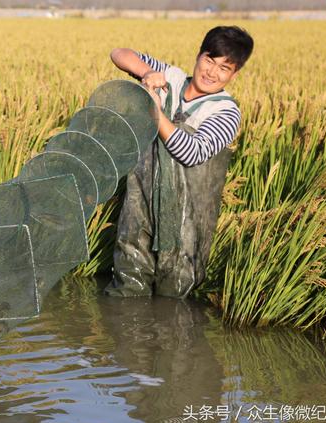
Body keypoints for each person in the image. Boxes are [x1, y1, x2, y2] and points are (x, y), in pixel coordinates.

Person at [105, 26, 254, 298]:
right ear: (198, 55)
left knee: (172, 302)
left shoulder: (226, 112)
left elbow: (191, 153)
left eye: (224, 68)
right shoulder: (171, 77)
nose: (212, 72)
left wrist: (154, 110)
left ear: (234, 74)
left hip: (186, 226)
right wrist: (147, 73)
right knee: (126, 291)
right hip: (139, 211)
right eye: (209, 60)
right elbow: (119, 54)